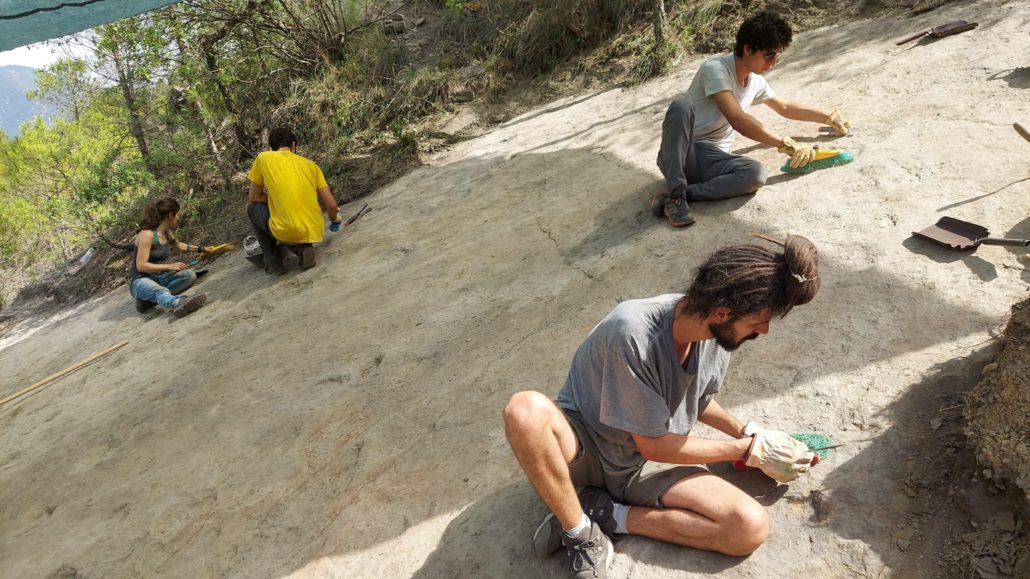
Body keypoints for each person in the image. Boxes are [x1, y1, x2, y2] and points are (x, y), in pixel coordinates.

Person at [503, 234, 821, 579]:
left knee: (748, 527)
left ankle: (605, 513)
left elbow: (697, 399)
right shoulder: (633, 334)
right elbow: (654, 445)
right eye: (759, 320)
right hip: (588, 449)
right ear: (722, 313)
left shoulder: (716, 336)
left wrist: (751, 434)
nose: (764, 329)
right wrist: (746, 451)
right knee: (524, 411)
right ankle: (579, 533)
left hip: (645, 465)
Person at [654, 11, 851, 227]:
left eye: (776, 56)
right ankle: (676, 195)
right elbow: (737, 120)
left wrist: (828, 117)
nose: (773, 63)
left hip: (711, 162)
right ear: (747, 49)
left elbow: (785, 107)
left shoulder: (755, 81)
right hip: (682, 154)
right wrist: (784, 143)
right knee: (681, 106)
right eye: (768, 55)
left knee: (756, 174)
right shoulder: (715, 69)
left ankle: (682, 195)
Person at [247, 127, 341, 274]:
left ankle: (274, 264)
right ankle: (302, 247)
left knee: (252, 208)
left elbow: (253, 197)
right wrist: (334, 219)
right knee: (290, 222)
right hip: (315, 230)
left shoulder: (263, 158)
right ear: (293, 146)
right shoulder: (312, 165)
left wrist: (277, 200)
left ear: (271, 148)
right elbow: (331, 204)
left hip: (286, 229)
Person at [128, 197, 208, 318]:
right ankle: (178, 303)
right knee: (160, 290)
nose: (179, 218)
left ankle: (147, 301)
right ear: (170, 215)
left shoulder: (166, 232)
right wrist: (170, 266)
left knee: (189, 275)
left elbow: (179, 246)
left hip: (160, 277)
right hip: (140, 280)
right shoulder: (147, 234)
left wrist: (203, 249)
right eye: (177, 215)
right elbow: (141, 266)